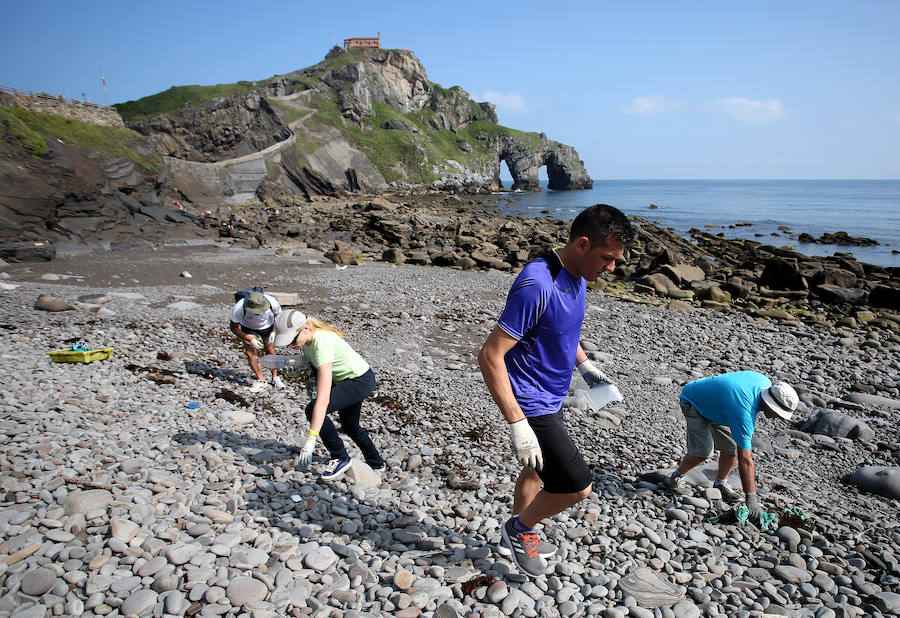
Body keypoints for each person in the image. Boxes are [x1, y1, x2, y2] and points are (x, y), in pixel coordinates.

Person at [478, 204, 634, 577]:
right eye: (608, 258)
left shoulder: (577, 274)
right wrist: (518, 424)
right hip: (532, 402)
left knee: (535, 471)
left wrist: (586, 366)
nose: (612, 268)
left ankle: (515, 532)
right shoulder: (537, 284)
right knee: (577, 486)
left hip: (553, 393)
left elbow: (564, 328)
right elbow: (490, 355)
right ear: (582, 244)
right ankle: (520, 530)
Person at [669, 371, 798, 522]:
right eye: (778, 413)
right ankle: (677, 476)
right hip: (693, 400)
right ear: (770, 404)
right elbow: (746, 459)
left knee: (731, 449)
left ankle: (720, 484)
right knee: (703, 452)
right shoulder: (744, 411)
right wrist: (751, 499)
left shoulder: (764, 382)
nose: (779, 417)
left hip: (719, 405)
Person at [274, 309, 384, 480]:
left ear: (304, 328)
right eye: (287, 342)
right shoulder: (308, 341)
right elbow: (311, 362)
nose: (290, 345)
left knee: (313, 409)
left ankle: (340, 457)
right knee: (350, 426)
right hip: (350, 379)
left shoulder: (322, 343)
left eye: (292, 340)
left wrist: (311, 439)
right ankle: (376, 463)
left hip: (359, 381)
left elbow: (323, 399)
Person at [229, 291, 284, 393]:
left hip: (268, 326)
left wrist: (274, 331)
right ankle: (261, 380)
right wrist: (250, 339)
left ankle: (275, 377)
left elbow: (279, 318)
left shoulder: (272, 302)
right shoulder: (239, 308)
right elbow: (233, 327)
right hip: (248, 328)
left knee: (270, 349)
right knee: (251, 353)